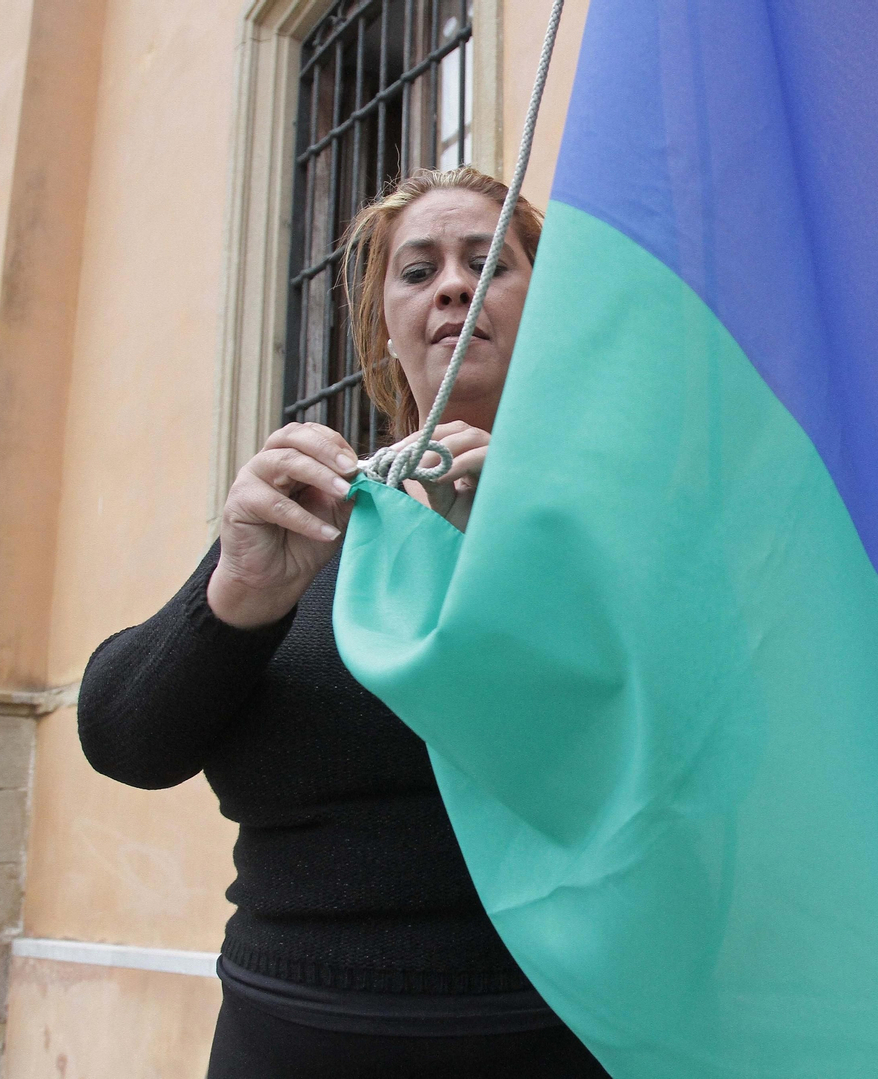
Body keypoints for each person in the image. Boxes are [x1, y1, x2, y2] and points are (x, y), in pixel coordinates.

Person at [77, 167, 612, 1079]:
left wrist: (536, 559)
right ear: (384, 327)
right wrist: (238, 594)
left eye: (490, 262)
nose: (452, 284)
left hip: (560, 1031)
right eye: (418, 270)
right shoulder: (314, 517)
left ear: (549, 306)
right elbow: (126, 740)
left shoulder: (619, 518)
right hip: (288, 1035)